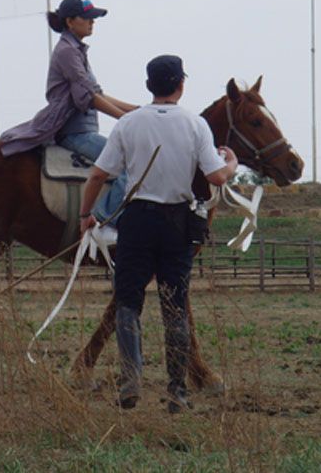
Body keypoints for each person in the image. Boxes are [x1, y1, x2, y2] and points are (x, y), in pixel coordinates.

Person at [78, 54, 238, 412]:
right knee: (175, 305)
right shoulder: (195, 124)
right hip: (177, 224)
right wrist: (232, 164)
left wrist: (87, 214)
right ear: (181, 85)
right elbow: (215, 177)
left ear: (149, 86)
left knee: (128, 301)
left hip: (136, 222)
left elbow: (98, 176)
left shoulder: (130, 124)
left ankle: (131, 380)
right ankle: (177, 391)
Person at [0, 0, 137, 222]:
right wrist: (125, 118)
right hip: (75, 133)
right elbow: (90, 97)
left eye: (93, 18)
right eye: (87, 18)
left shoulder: (76, 50)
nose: (92, 22)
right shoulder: (67, 52)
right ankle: (102, 221)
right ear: (70, 22)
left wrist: (136, 110)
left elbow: (98, 93)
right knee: (129, 165)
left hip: (85, 129)